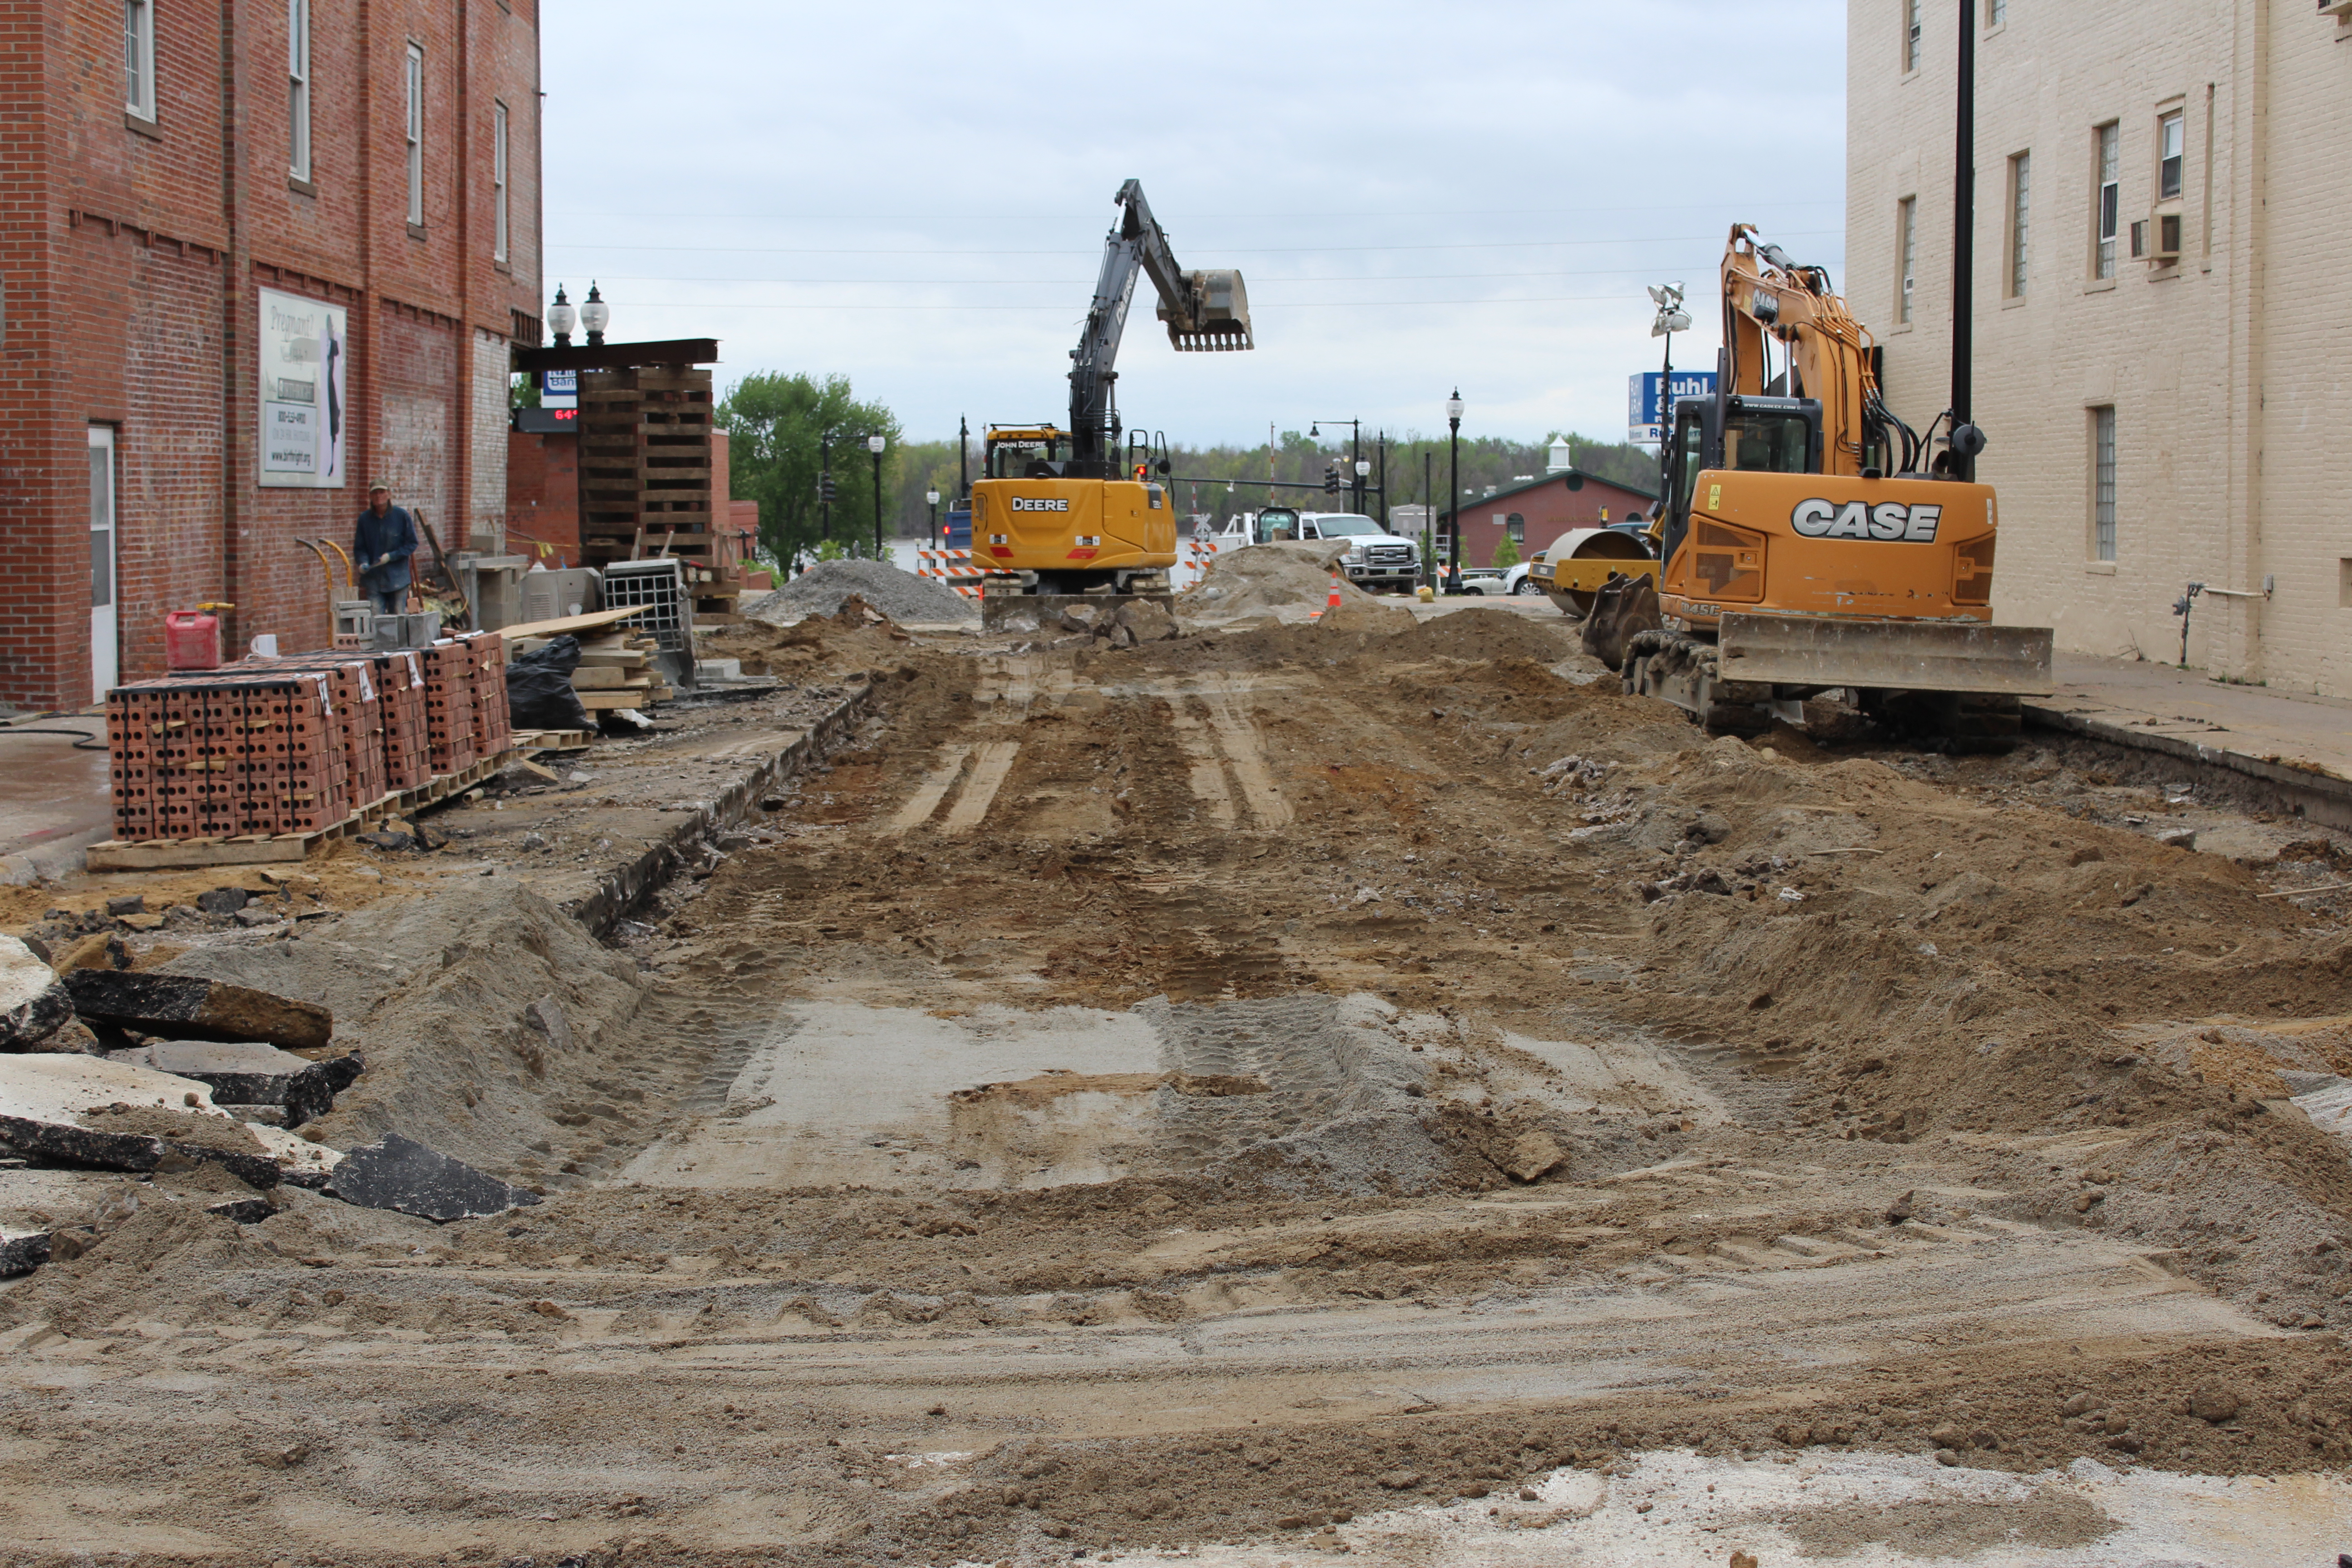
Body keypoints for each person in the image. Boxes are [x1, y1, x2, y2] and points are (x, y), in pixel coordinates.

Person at [353, 483, 418, 616]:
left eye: (382, 492)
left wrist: (392, 556)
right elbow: (360, 548)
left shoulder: (401, 516)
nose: (379, 496)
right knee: (377, 618)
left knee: (398, 618)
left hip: (398, 579)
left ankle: (398, 638)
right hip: (374, 579)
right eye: (375, 493)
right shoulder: (365, 519)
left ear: (389, 494)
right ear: (370, 497)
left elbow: (412, 544)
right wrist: (363, 562)